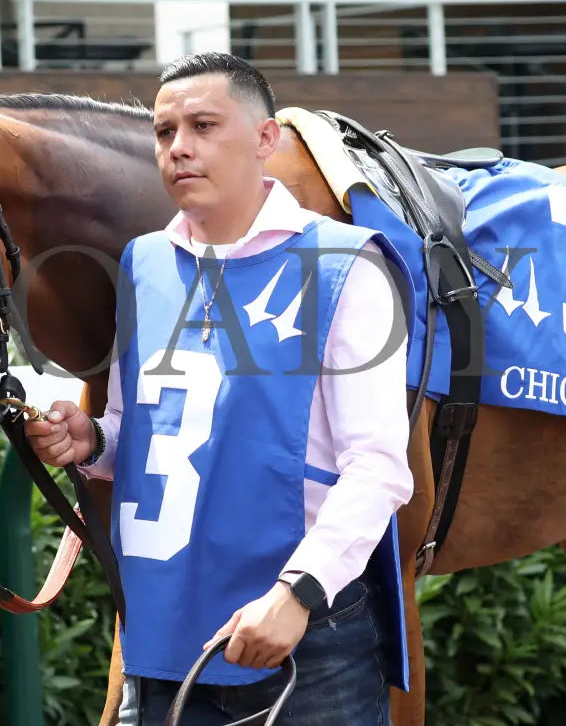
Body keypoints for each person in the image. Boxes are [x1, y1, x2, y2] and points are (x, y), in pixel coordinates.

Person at [25, 51, 415, 726]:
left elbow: (377, 467)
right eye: (164, 132)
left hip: (305, 643)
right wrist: (92, 440)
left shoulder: (347, 265)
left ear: (266, 140)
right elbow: (136, 430)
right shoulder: (144, 262)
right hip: (162, 640)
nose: (179, 148)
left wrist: (295, 595)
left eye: (204, 126)